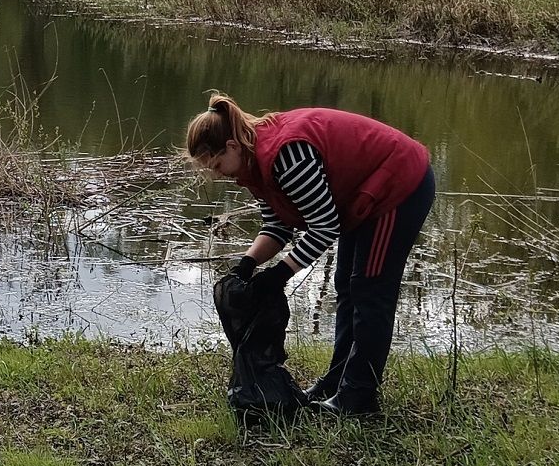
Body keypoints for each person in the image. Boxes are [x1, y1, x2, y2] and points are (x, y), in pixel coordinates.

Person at [186, 91, 435, 416]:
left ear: (232, 146)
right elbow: (277, 226)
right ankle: (337, 383)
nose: (219, 174)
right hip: (361, 194)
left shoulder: (286, 155)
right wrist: (245, 266)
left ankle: (358, 398)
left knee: (370, 291)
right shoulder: (252, 163)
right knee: (346, 286)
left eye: (218, 165)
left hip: (397, 184)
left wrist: (279, 275)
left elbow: (324, 227)